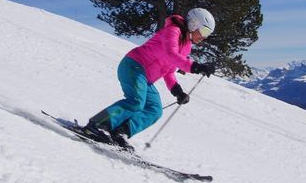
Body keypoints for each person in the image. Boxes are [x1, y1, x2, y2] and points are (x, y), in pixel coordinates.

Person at [82, 8, 218, 147]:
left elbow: (169, 71)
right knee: (136, 101)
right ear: (194, 24)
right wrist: (196, 67)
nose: (204, 37)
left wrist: (177, 91)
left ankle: (121, 131)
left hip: (145, 79)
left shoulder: (186, 46)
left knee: (155, 110)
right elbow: (170, 54)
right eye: (205, 31)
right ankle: (96, 125)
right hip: (133, 66)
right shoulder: (173, 31)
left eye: (208, 34)